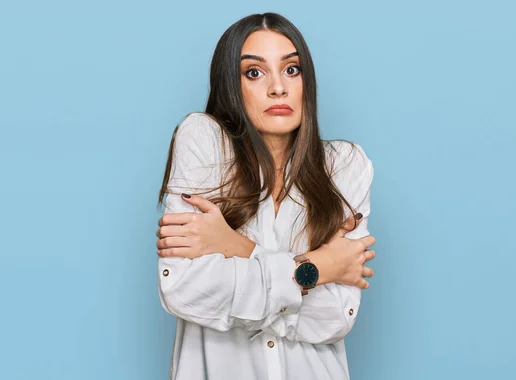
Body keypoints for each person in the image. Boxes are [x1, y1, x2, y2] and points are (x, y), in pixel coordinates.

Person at [155, 12, 376, 380]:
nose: (278, 88)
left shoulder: (345, 167)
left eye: (292, 69)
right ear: (231, 84)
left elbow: (336, 317)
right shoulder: (203, 140)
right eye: (254, 73)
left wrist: (235, 247)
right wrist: (317, 269)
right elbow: (184, 289)